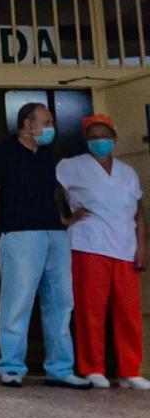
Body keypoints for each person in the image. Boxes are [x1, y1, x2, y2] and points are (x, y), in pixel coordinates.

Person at [0, 102, 90, 388]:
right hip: (20, 234)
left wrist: (65, 220)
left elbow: (54, 194)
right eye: (46, 121)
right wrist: (2, 224)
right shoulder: (1, 154)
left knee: (61, 301)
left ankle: (60, 369)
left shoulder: (47, 156)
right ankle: (12, 368)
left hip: (54, 235)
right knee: (17, 301)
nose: (50, 126)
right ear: (27, 124)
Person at [59, 113, 147, 389]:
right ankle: (92, 367)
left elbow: (139, 211)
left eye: (105, 136)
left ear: (114, 138)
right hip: (89, 244)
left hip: (124, 247)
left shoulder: (127, 172)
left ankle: (129, 370)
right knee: (90, 309)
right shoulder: (71, 166)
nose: (100, 141)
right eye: (94, 137)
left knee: (128, 311)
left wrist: (142, 245)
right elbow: (46, 193)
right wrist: (65, 219)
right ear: (86, 140)